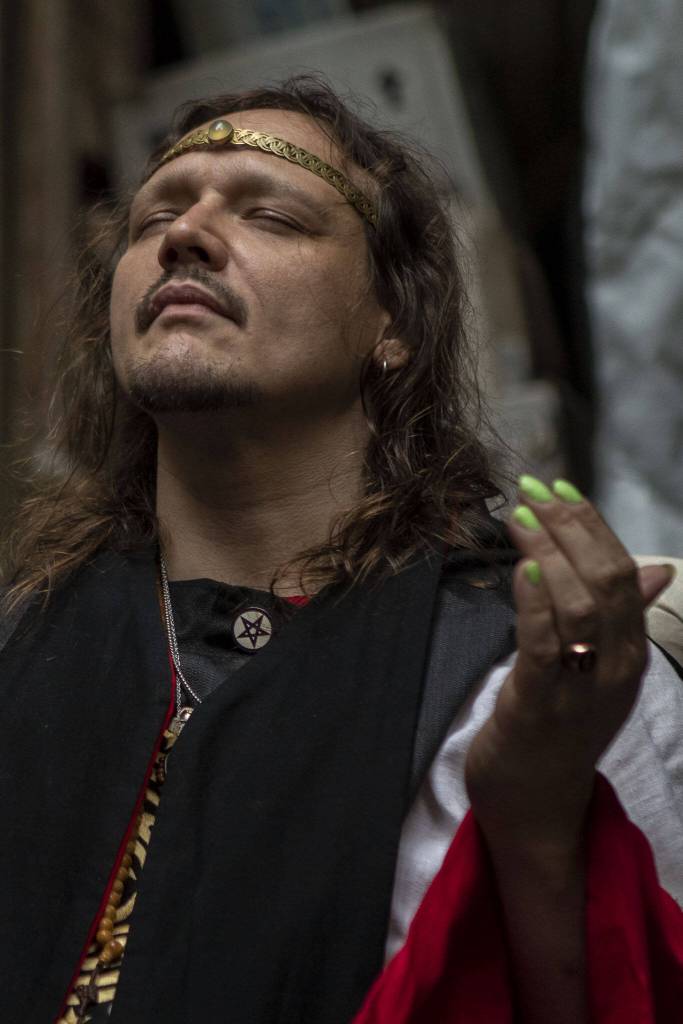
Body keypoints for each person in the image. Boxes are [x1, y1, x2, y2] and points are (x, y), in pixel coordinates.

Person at [1, 76, 681, 1024]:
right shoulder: (25, 638)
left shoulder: (514, 677)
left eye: (271, 215)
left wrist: (532, 818)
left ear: (390, 325)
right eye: (154, 214)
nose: (183, 235)